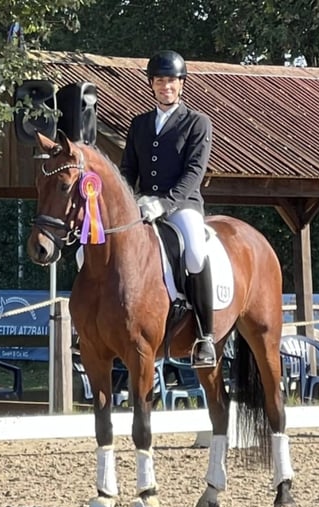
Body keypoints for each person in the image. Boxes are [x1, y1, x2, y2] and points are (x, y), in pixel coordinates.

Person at [120, 50, 216, 367]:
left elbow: (194, 172)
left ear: (181, 85)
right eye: (160, 81)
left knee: (195, 253)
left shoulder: (197, 123)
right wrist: (127, 202)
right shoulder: (139, 124)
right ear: (151, 85)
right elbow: (128, 170)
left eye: (171, 81)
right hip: (144, 206)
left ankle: (205, 336)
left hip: (182, 205)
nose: (166, 87)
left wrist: (166, 202)